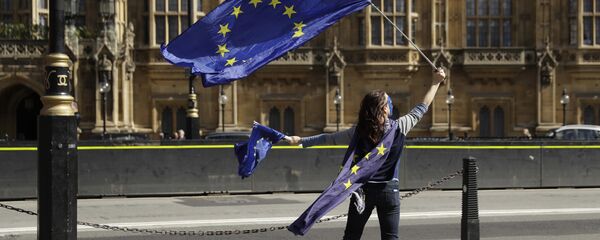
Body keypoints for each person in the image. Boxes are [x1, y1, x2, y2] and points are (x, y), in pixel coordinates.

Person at [285, 69, 446, 240]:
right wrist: (436, 82)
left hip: (362, 191)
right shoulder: (400, 126)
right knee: (391, 237)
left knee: (352, 236)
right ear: (385, 109)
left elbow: (328, 139)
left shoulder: (357, 132)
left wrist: (300, 140)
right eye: (387, 103)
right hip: (389, 190)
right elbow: (422, 107)